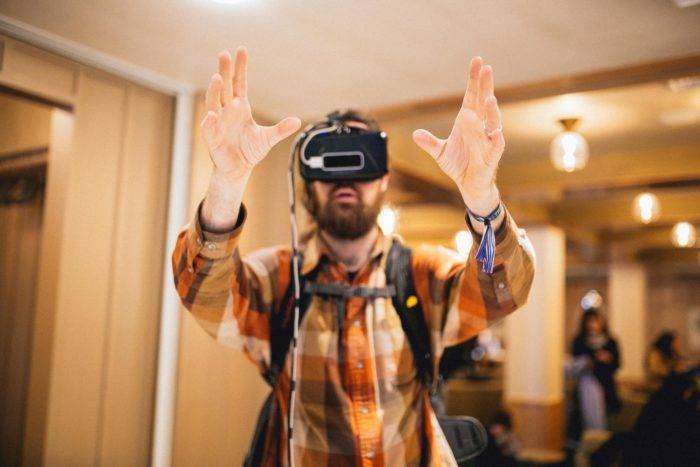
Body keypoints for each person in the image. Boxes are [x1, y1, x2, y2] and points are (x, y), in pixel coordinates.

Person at [171, 47, 535, 466]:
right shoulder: (280, 278)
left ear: (384, 178)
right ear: (308, 180)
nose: (346, 174)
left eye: (362, 156)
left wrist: (481, 198)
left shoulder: (418, 274)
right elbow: (203, 292)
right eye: (330, 159)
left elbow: (507, 289)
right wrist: (227, 184)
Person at [569, 309, 621, 433]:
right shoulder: (579, 341)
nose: (593, 324)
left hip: (606, 386)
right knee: (585, 422)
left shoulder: (611, 341)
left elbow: (617, 364)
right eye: (590, 321)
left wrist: (607, 359)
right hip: (585, 386)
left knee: (605, 423)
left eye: (596, 321)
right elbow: (574, 363)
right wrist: (589, 361)